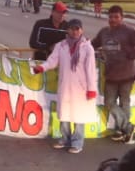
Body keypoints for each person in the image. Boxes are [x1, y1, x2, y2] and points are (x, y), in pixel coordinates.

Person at [33, 18, 99, 154]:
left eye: (77, 29)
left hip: (81, 88)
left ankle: (77, 142)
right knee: (65, 114)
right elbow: (52, 61)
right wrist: (42, 67)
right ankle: (65, 139)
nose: (75, 31)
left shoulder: (87, 47)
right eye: (72, 28)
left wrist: (91, 89)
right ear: (67, 30)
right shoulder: (61, 46)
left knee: (79, 116)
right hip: (65, 86)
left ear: (82, 30)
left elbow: (91, 69)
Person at [92, 6, 135, 142]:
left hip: (126, 73)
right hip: (111, 73)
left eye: (116, 17)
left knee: (124, 102)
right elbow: (92, 44)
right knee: (109, 102)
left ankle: (120, 130)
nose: (113, 20)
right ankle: (127, 127)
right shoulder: (103, 32)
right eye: (111, 17)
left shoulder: (128, 31)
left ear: (121, 18)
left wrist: (132, 55)